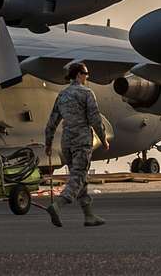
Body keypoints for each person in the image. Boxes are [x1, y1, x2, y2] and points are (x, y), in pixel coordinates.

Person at [45, 60, 112, 226]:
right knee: (78, 177)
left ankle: (89, 216)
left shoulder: (62, 95)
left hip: (66, 142)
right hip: (82, 141)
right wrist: (103, 139)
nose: (87, 77)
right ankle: (58, 205)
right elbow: (95, 120)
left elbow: (52, 122)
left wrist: (48, 143)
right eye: (86, 74)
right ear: (79, 75)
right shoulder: (87, 93)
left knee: (80, 177)